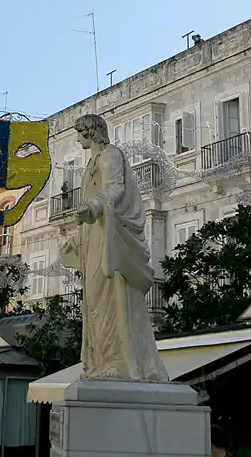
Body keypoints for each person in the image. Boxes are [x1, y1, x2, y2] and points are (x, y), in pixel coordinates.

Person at [58, 113, 167, 382]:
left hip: (110, 240)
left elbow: (116, 189)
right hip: (95, 238)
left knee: (109, 297)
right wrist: (77, 236)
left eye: (80, 132)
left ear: (91, 132)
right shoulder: (92, 162)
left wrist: (94, 208)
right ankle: (102, 361)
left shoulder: (110, 155)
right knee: (94, 300)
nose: (77, 138)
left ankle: (118, 362)